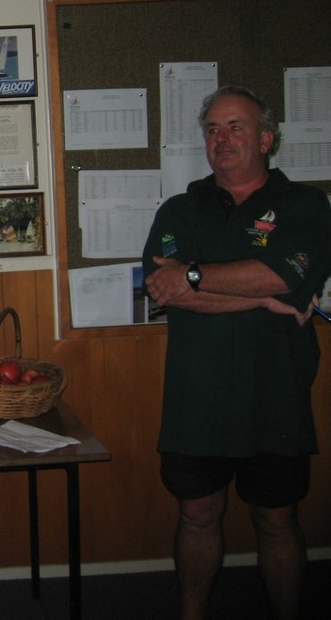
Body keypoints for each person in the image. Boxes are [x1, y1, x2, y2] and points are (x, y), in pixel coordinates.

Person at [142, 85, 331, 620]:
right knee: (197, 514)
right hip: (195, 398)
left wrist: (197, 276)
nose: (222, 140)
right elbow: (163, 289)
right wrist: (271, 299)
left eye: (237, 127)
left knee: (276, 520)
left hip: (275, 395)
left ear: (267, 139)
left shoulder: (306, 204)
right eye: (212, 130)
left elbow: (281, 272)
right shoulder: (181, 208)